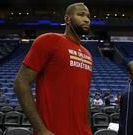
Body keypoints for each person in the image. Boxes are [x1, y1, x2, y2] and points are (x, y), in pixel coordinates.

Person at [14, 3, 92, 135]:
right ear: (67, 19)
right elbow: (20, 83)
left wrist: (88, 128)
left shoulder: (87, 54)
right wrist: (41, 130)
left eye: (88, 16)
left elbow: (85, 96)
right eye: (80, 14)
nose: (86, 19)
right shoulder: (49, 40)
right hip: (53, 131)